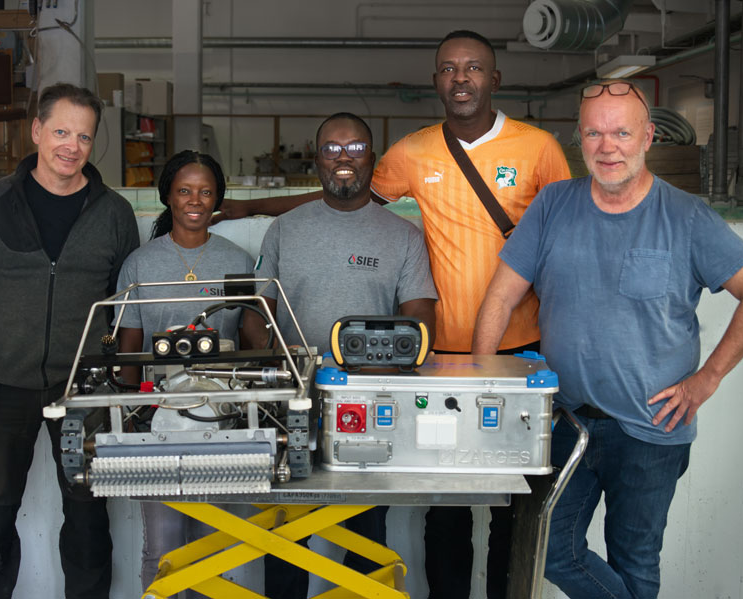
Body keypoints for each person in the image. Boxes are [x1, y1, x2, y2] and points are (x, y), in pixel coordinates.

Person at [215, 31, 570, 597]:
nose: (461, 78)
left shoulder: (540, 148)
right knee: (446, 505)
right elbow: (339, 200)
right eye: (450, 69)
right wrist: (251, 207)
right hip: (441, 356)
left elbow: (568, 236)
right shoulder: (412, 151)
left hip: (515, 350)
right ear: (436, 81)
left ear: (494, 79)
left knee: (515, 501)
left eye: (473, 68)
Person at [472, 79, 743, 598]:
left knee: (635, 563)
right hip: (566, 421)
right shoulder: (553, 205)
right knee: (549, 549)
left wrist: (706, 380)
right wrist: (487, 382)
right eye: (594, 133)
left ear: (648, 137)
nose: (607, 146)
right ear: (580, 138)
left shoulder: (686, 217)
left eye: (621, 132)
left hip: (651, 430)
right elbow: (500, 298)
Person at [0, 83, 140, 599]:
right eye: (60, 131)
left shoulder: (114, 214)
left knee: (87, 521)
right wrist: (5, 342)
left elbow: (124, 304)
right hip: (1, 385)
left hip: (83, 389)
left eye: (83, 136)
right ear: (36, 131)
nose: (70, 145)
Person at [243, 112, 437, 599]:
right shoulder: (284, 231)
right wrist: (272, 354)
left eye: (355, 149)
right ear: (317, 157)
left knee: (366, 530)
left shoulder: (403, 236)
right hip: (290, 404)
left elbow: (420, 326)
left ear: (372, 158)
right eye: (333, 148)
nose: (343, 158)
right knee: (284, 532)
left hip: (369, 407)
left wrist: (373, 367)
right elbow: (254, 315)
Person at [113, 150, 254, 595]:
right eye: (185, 191)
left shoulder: (237, 260)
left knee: (215, 544)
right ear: (168, 197)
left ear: (218, 200)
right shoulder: (140, 264)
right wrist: (129, 415)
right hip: (158, 419)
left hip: (222, 419)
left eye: (206, 192)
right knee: (165, 546)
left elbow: (254, 340)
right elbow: (128, 350)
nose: (196, 200)